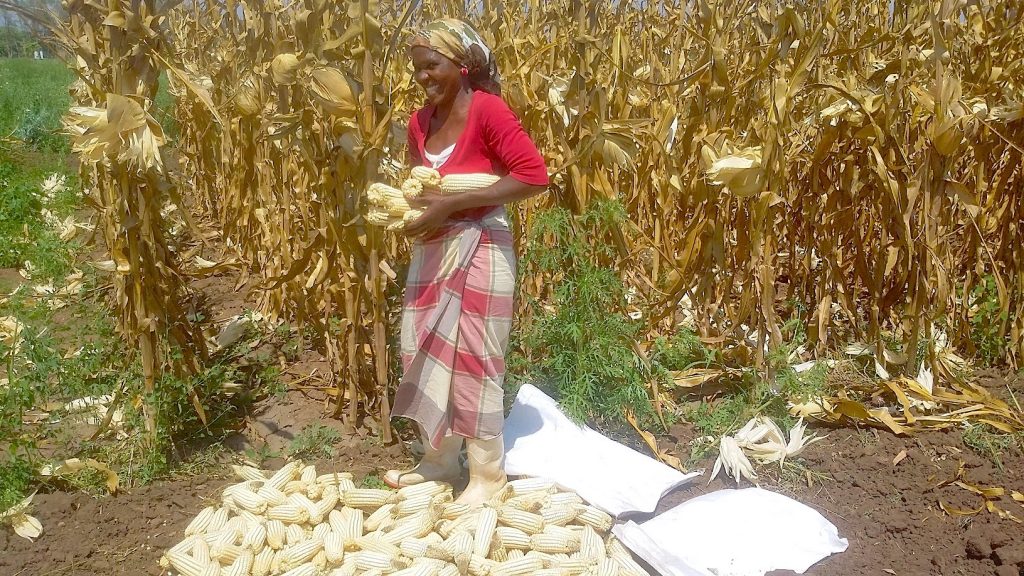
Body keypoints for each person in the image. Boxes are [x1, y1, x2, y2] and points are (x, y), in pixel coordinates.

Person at [384, 18, 549, 506]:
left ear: (461, 65)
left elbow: (534, 177)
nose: (422, 77)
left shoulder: (489, 111)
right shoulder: (419, 123)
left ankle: (487, 476)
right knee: (424, 349)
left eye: (431, 66)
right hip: (434, 246)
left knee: (476, 358)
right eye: (416, 69)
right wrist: (409, 212)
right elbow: (424, 187)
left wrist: (453, 204)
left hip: (483, 243)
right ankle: (437, 463)